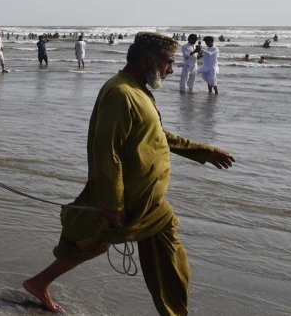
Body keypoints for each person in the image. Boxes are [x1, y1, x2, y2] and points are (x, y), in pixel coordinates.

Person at [22, 32, 236, 315]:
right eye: (167, 62)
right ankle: (39, 283)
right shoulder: (120, 92)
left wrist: (203, 152)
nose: (171, 69)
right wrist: (113, 204)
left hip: (148, 201)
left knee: (157, 254)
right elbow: (106, 150)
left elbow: (158, 136)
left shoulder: (138, 90)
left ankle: (39, 283)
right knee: (95, 242)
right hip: (130, 199)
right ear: (147, 60)